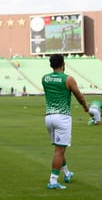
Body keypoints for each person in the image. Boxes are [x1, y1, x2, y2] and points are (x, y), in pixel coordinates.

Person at [42, 54, 88, 190]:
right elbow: (78, 95)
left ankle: (67, 173)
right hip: (62, 117)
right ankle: (53, 181)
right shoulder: (68, 79)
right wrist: (85, 106)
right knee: (59, 151)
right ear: (63, 63)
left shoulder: (45, 78)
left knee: (59, 148)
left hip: (49, 116)